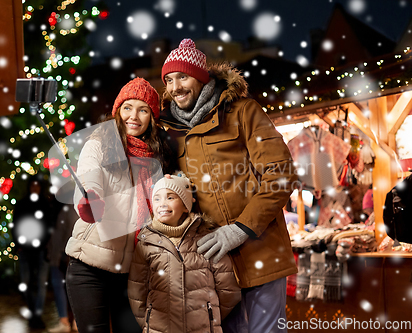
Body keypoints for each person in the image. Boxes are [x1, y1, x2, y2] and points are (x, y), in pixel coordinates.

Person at [159, 39, 298, 333]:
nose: (175, 87)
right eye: (169, 80)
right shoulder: (171, 131)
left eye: (182, 77)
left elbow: (281, 174)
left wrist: (241, 228)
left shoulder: (243, 112)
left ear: (200, 77)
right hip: (213, 263)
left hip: (261, 249)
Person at [65, 77, 173, 333]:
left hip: (132, 272)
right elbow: (89, 176)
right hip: (89, 265)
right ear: (117, 111)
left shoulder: (156, 158)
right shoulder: (100, 143)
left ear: (152, 117)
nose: (133, 116)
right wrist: (90, 200)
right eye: (127, 107)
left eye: (143, 109)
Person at [128, 173, 241, 332]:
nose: (162, 204)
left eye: (170, 197)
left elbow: (228, 290)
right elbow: (136, 291)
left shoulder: (206, 238)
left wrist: (209, 317)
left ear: (185, 205)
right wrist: (148, 320)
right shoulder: (146, 243)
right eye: (157, 198)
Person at [12, 174, 57, 329]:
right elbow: (16, 224)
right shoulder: (23, 204)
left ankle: (36, 315)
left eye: (37, 185)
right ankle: (33, 314)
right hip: (25, 249)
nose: (35, 188)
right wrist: (19, 243)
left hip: (41, 250)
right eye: (33, 185)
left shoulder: (45, 204)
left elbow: (49, 226)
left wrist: (45, 245)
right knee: (26, 282)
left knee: (40, 284)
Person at [47, 201, 79, 332]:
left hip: (65, 254)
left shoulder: (69, 209)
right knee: (63, 287)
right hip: (61, 253)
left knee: (67, 288)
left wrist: (60, 252)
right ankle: (67, 321)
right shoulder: (62, 208)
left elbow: (65, 233)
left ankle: (70, 321)